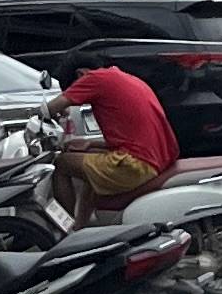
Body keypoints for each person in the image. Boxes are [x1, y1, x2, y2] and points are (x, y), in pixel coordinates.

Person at [55, 59, 178, 218]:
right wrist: (90, 143)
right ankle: (81, 226)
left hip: (137, 165)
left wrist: (40, 114)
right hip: (156, 158)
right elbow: (132, 139)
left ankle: (65, 227)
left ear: (80, 74)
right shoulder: (124, 78)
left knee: (61, 163)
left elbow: (52, 107)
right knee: (85, 165)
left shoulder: (95, 78)